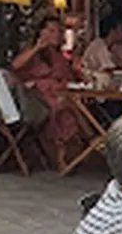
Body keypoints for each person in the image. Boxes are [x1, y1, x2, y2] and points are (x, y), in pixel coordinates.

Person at [11, 15, 83, 167]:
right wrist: (38, 46)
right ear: (41, 32)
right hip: (35, 98)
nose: (55, 34)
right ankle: (63, 155)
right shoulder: (31, 50)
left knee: (72, 104)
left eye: (58, 31)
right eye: (51, 30)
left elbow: (67, 75)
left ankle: (83, 145)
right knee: (63, 107)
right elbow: (15, 66)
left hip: (59, 92)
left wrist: (77, 71)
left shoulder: (57, 55)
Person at [81, 15, 122, 83]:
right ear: (112, 30)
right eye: (121, 29)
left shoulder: (117, 47)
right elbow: (109, 69)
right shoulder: (98, 45)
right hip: (94, 82)